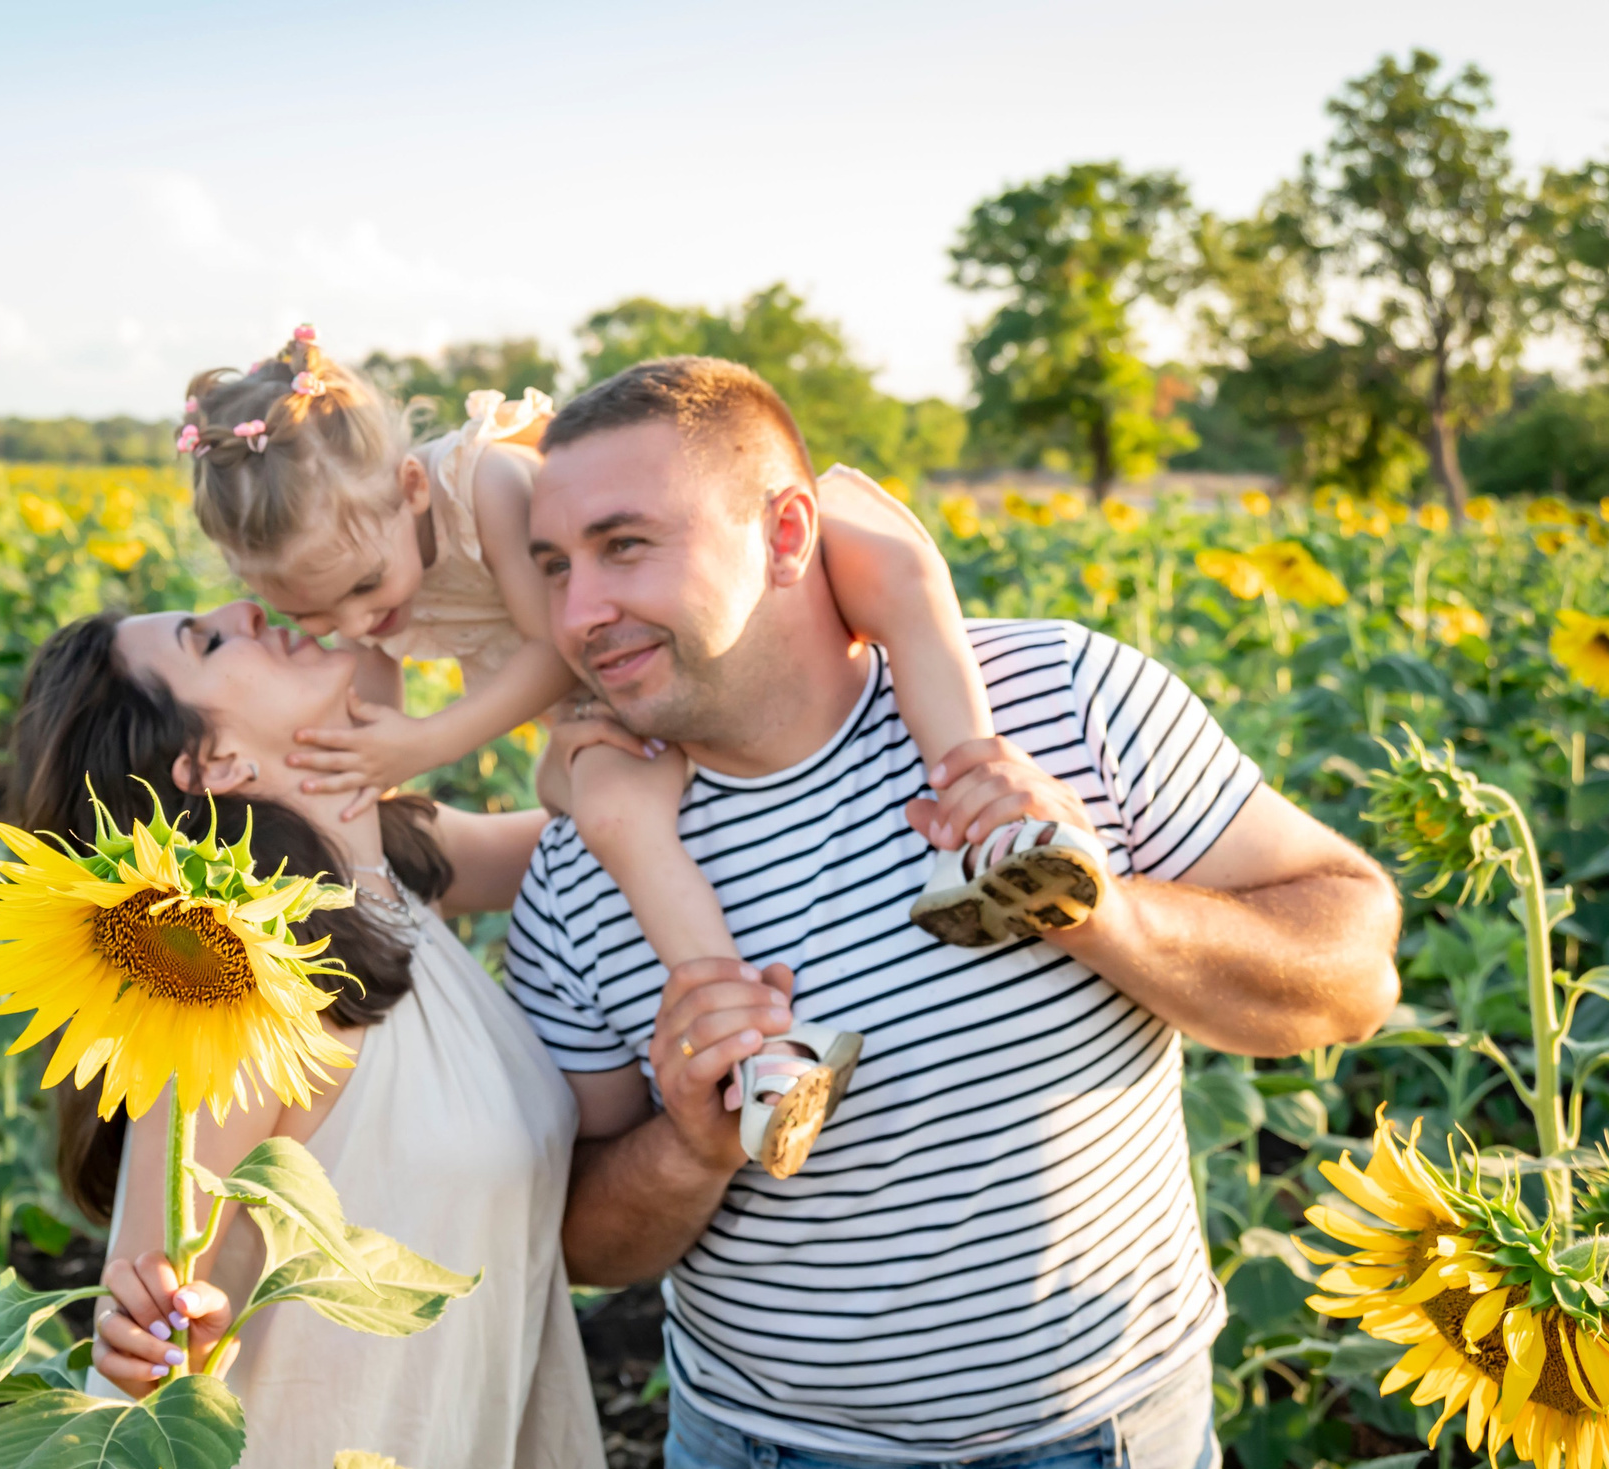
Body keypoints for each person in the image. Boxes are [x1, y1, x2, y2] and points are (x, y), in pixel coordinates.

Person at [506, 357, 1404, 1469]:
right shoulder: (587, 869)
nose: (580, 610)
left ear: (790, 531)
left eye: (626, 547)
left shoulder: (1064, 700)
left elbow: (1354, 962)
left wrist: (1099, 911)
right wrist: (691, 1146)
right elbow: (580, 1239)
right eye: (554, 564)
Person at [173, 326, 1078, 1178]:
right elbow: (371, 739)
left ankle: (986, 816)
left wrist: (425, 740)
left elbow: (550, 644)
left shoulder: (478, 484)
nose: (358, 626)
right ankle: (757, 1048)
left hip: (623, 661)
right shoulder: (363, 596)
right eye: (316, 616)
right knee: (613, 818)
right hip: (609, 712)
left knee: (898, 572)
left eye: (366, 589)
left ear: (410, 487)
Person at [13, 601, 652, 1469]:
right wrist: (152, 1326)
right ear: (212, 758)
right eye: (208, 641)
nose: (242, 607)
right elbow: (160, 1294)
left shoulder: (395, 863)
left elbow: (610, 832)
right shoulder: (241, 981)